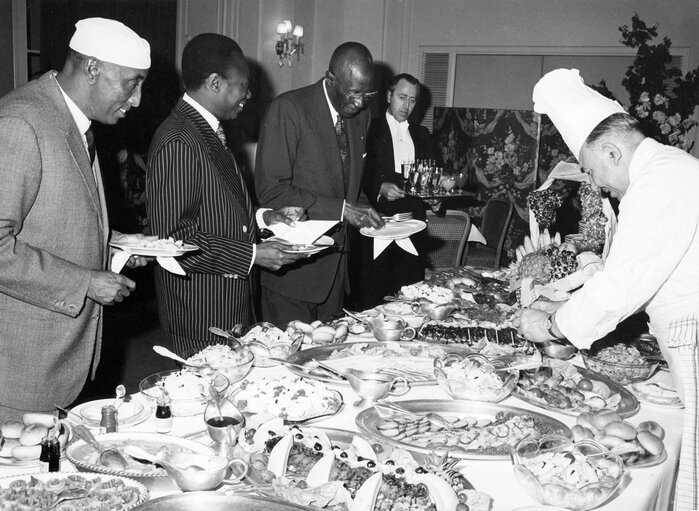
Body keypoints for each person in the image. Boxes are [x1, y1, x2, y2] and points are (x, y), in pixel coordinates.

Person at [516, 68, 699, 510]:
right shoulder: (668, 168)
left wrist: (553, 325)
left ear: (613, 151)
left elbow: (620, 288)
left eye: (593, 171)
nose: (595, 185)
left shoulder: (659, 183)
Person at [0, 18, 152, 422]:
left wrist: (114, 242)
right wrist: (85, 282)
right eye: (131, 82)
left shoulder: (76, 120)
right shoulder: (21, 123)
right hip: (22, 369)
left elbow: (54, 218)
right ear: (92, 69)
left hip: (67, 358)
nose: (137, 100)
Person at [146, 33, 306, 357]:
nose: (247, 95)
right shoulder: (179, 139)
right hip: (202, 313)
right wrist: (253, 256)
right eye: (243, 85)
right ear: (215, 83)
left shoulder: (208, 130)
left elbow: (220, 210)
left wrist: (266, 217)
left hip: (229, 306)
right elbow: (173, 240)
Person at [255, 42, 383, 325]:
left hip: (337, 271)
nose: (361, 102)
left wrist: (361, 206)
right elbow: (272, 190)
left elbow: (350, 181)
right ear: (330, 79)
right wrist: (342, 210)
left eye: (367, 93)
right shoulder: (289, 109)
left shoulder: (361, 116)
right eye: (353, 93)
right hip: (293, 273)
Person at [352, 73, 436, 309]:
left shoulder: (423, 135)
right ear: (389, 96)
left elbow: (430, 180)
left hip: (413, 227)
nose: (406, 105)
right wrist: (379, 187)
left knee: (411, 297)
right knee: (372, 297)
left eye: (412, 100)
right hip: (377, 224)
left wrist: (436, 200)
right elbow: (354, 177)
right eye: (402, 97)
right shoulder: (370, 129)